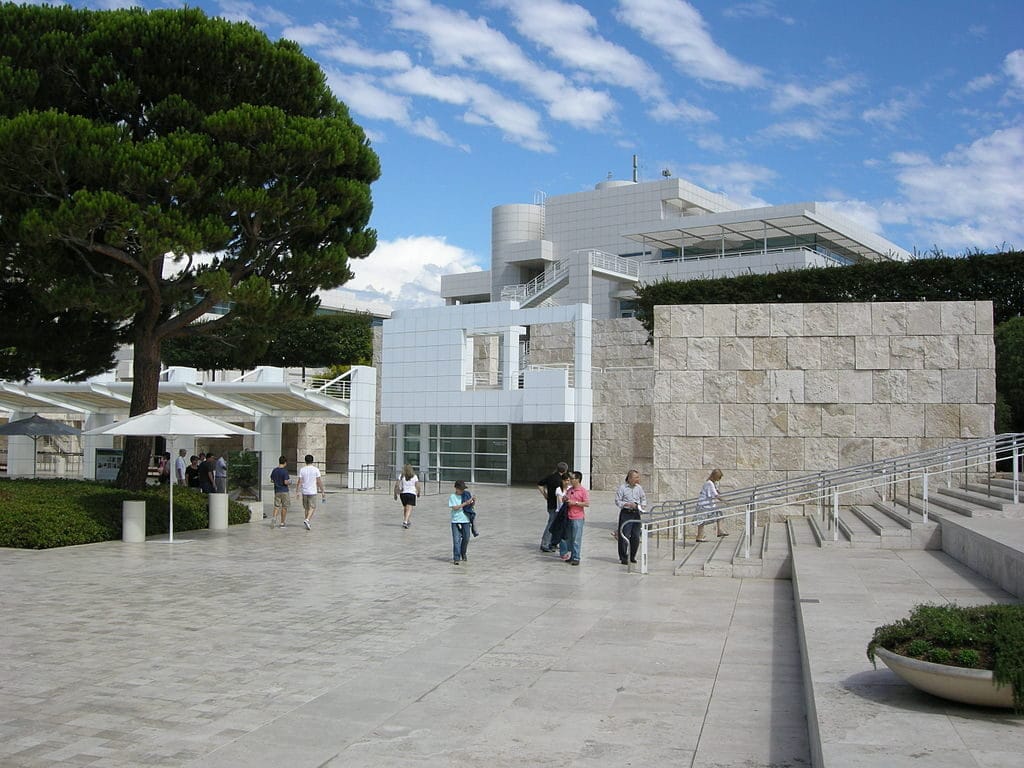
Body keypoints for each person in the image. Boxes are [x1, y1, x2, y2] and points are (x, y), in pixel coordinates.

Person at [615, 469, 647, 565]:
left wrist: (642, 505)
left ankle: (632, 555)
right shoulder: (622, 488)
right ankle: (623, 556)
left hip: (636, 513)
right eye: (635, 477)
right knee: (624, 534)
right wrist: (627, 504)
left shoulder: (639, 488)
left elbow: (643, 498)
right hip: (626, 513)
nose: (638, 479)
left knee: (636, 535)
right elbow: (617, 501)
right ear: (629, 478)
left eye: (638, 477)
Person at [537, 461, 569, 552]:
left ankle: (552, 543)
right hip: (557, 505)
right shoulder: (560, 480)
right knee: (551, 524)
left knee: (554, 524)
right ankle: (545, 543)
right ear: (565, 470)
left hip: (550, 503)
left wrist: (545, 495)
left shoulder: (550, 476)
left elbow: (540, 484)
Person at [559, 470, 589, 565]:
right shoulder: (570, 490)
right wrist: (565, 499)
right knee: (569, 538)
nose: (570, 480)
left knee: (576, 538)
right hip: (568, 516)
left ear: (578, 479)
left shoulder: (583, 491)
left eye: (572, 478)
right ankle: (571, 555)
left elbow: (587, 503)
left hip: (578, 517)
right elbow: (566, 499)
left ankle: (576, 557)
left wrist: (575, 503)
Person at [695, 468, 727, 542]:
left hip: (707, 505)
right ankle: (699, 536)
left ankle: (719, 531)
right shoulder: (709, 483)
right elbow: (715, 495)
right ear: (715, 476)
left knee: (718, 514)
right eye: (719, 477)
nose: (719, 479)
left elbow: (716, 492)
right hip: (704, 505)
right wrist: (725, 501)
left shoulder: (712, 483)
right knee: (701, 521)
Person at [296, 454, 325, 530]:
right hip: (312, 491)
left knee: (306, 508)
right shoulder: (316, 470)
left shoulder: (302, 469)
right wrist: (322, 491)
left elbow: (299, 481)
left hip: (304, 491)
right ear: (312, 461)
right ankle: (307, 520)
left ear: (305, 461)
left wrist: (297, 491)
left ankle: (307, 522)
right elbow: (319, 481)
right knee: (312, 507)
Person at [448, 480, 473, 564]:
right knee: (456, 540)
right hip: (455, 520)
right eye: (460, 489)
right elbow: (455, 507)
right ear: (456, 488)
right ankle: (456, 558)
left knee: (466, 538)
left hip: (465, 520)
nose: (462, 491)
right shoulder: (452, 496)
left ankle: (463, 553)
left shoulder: (466, 495)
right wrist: (465, 503)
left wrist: (472, 501)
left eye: (463, 489)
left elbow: (471, 506)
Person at [393, 464, 421, 529]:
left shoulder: (401, 476)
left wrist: (395, 493)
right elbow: (418, 485)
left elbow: (396, 485)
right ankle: (405, 521)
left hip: (403, 494)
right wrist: (418, 492)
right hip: (411, 494)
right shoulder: (414, 476)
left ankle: (407, 520)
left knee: (405, 508)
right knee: (409, 508)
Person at [270, 455, 290, 528]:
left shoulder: (274, 470)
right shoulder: (285, 471)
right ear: (285, 462)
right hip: (284, 491)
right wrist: (289, 482)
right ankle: (282, 523)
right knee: (284, 507)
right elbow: (285, 482)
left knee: (276, 506)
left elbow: (272, 480)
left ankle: (274, 518)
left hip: (277, 491)